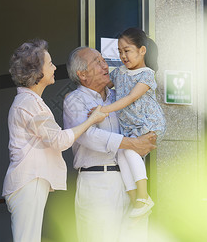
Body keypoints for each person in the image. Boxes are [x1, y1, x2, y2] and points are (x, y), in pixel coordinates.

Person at [2, 39, 107, 242]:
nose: (53, 68)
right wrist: (92, 120)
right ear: (37, 72)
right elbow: (58, 140)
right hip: (29, 181)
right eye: (49, 64)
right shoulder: (28, 103)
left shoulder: (31, 101)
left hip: (30, 181)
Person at [63, 46, 157, 242]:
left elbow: (138, 126)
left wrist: (145, 138)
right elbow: (88, 135)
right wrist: (132, 144)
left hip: (129, 181)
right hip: (97, 183)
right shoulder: (74, 100)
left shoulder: (119, 97)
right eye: (97, 62)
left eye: (103, 60)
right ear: (82, 74)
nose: (105, 64)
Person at [92, 28, 166, 218]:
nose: (123, 56)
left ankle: (144, 196)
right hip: (129, 124)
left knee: (131, 152)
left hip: (145, 122)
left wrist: (103, 111)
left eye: (127, 50)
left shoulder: (146, 75)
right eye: (119, 51)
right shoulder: (119, 73)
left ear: (142, 50)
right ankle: (135, 200)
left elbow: (130, 98)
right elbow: (102, 86)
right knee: (122, 155)